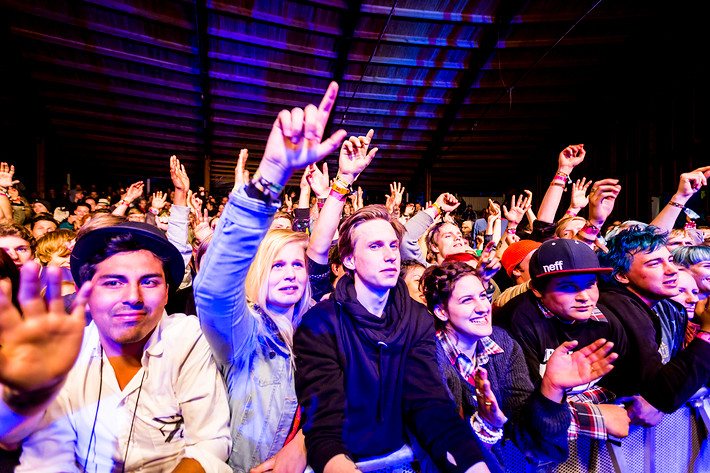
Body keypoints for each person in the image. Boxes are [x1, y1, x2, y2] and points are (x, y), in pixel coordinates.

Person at [193, 82, 354, 473]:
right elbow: (214, 291)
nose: (291, 274)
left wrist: (303, 442)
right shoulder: (242, 331)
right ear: (258, 270)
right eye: (277, 265)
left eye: (296, 265)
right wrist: (272, 175)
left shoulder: (322, 325)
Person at [16, 221, 231, 472]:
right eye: (113, 283)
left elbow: (209, 441)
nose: (133, 297)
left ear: (167, 292)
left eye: (149, 282)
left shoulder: (186, 337)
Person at [294, 205, 492, 473]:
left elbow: (430, 404)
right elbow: (323, 426)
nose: (389, 256)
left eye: (393, 246)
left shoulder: (417, 318)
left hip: (398, 461)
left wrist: (474, 466)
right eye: (375, 246)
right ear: (350, 260)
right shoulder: (320, 323)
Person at [420, 261, 617, 470]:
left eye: (483, 296)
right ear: (441, 312)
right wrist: (485, 426)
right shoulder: (429, 358)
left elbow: (538, 445)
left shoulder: (502, 344)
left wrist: (551, 391)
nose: (482, 307)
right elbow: (443, 447)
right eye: (467, 300)